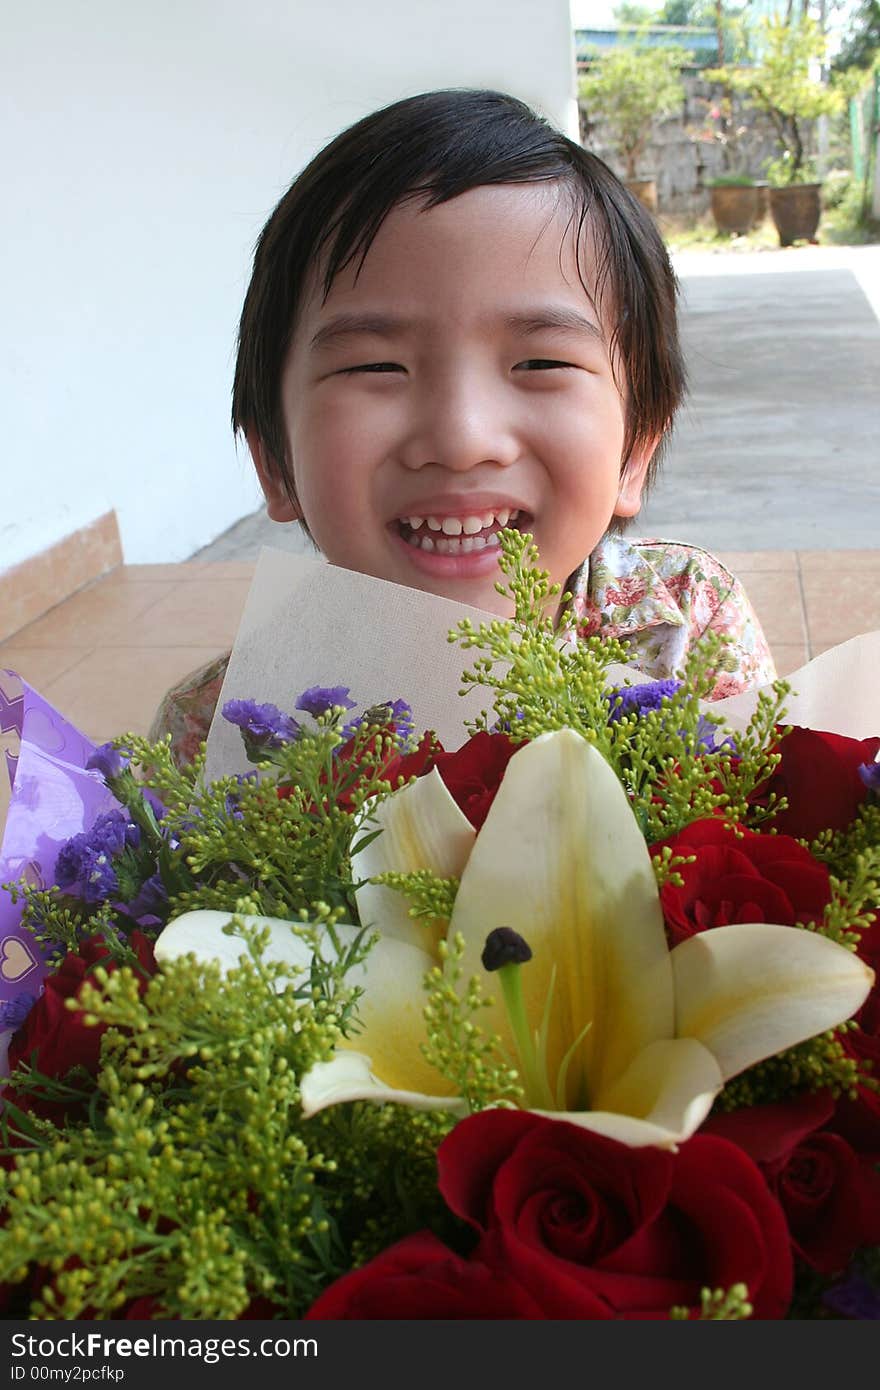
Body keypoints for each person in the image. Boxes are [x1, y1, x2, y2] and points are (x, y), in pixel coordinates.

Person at [150, 88, 775, 766]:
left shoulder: (684, 625)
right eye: (377, 366)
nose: (461, 437)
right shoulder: (221, 733)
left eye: (540, 361)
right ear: (275, 461)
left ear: (635, 452)